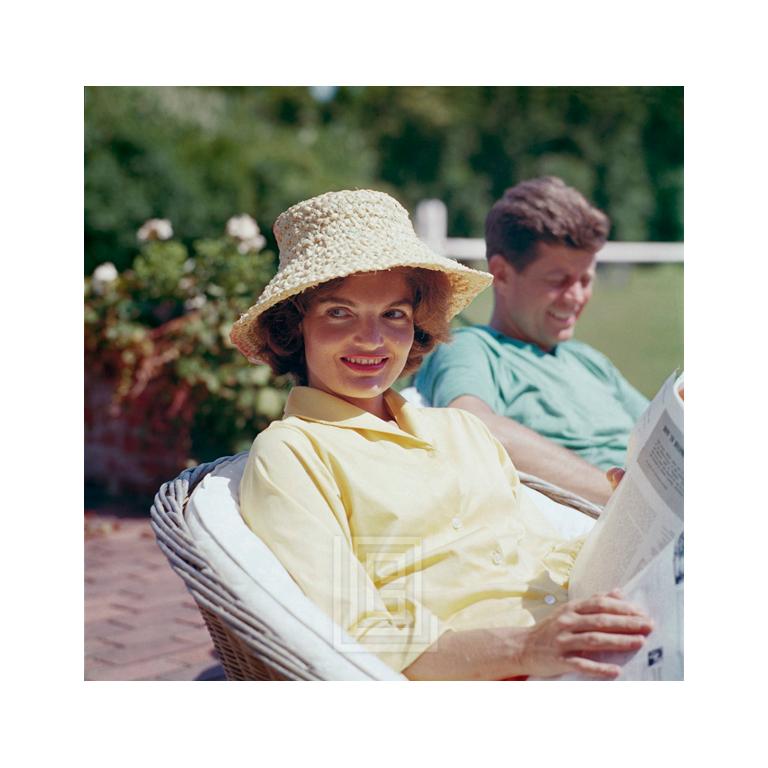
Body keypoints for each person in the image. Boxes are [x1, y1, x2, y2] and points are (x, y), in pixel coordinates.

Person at [230, 189, 653, 681]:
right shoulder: (293, 453)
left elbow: (549, 555)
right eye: (339, 312)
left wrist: (632, 520)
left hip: (584, 648)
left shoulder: (460, 432)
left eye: (393, 314)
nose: (372, 339)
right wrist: (527, 648)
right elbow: (359, 636)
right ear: (293, 326)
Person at [415, 177, 649, 506]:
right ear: (503, 273)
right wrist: (625, 498)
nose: (576, 297)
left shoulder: (588, 361)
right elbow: (472, 427)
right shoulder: (472, 349)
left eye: (585, 280)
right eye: (559, 281)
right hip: (605, 521)